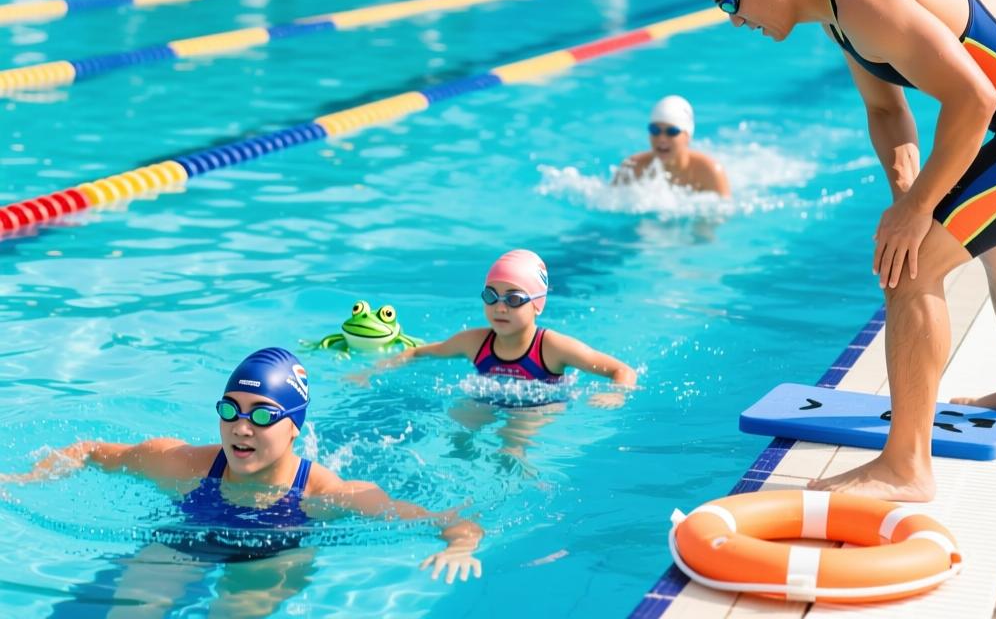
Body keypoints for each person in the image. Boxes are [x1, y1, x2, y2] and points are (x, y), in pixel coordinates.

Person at [697, 0, 996, 501]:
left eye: (729, 2)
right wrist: (906, 192)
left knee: (909, 272)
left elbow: (974, 100)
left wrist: (919, 213)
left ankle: (906, 467)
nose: (735, 20)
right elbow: (886, 109)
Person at [2, 348, 483, 591]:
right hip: (191, 532)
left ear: (294, 427)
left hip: (278, 551)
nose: (241, 427)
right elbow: (89, 450)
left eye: (262, 414)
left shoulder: (326, 493)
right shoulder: (184, 464)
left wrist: (461, 546)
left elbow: (452, 522)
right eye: (231, 409)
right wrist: (26, 480)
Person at [369, 249, 637, 410]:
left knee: (514, 440)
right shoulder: (474, 342)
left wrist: (616, 393)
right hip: (490, 397)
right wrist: (375, 370)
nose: (500, 307)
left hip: (541, 405)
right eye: (491, 296)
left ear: (537, 305)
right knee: (461, 420)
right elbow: (419, 352)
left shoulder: (553, 347)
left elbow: (622, 371)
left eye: (514, 299)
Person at [614, 95, 731, 196]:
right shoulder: (632, 168)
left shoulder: (710, 173)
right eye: (655, 130)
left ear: (687, 136)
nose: (662, 138)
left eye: (671, 132)